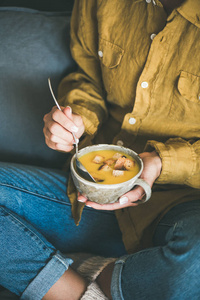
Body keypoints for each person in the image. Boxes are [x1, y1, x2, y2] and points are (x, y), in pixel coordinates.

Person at [1, 0, 200, 299]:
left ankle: (89, 275)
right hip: (90, 199)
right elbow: (89, 80)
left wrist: (162, 162)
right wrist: (78, 119)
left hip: (180, 208)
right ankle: (77, 287)